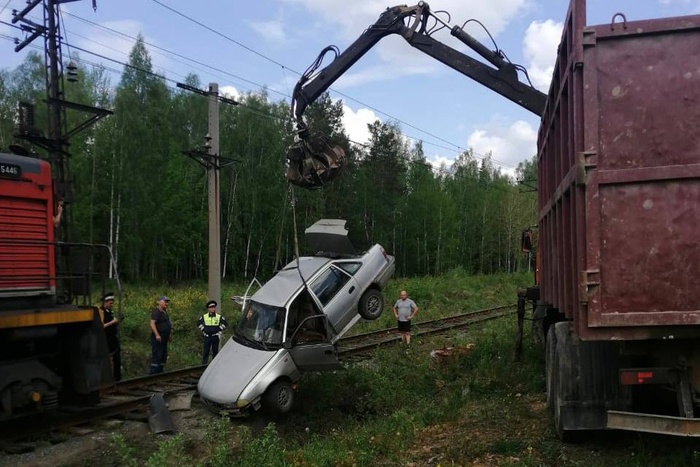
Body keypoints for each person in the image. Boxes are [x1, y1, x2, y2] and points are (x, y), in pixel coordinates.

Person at [197, 300, 228, 365]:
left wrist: (219, 329)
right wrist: (203, 329)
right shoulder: (204, 316)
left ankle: (214, 365)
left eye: (214, 307)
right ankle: (204, 365)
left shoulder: (218, 316)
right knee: (206, 352)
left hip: (215, 337)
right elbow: (198, 323)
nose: (213, 309)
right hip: (207, 337)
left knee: (215, 352)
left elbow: (225, 324)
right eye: (211, 307)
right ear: (208, 309)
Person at [100, 292, 122, 381]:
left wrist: (117, 322)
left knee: (117, 358)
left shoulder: (110, 312)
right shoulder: (101, 312)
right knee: (107, 358)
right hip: (106, 338)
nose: (111, 305)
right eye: (110, 303)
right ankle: (106, 378)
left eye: (112, 303)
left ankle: (117, 378)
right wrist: (112, 322)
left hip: (113, 337)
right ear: (105, 302)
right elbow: (101, 326)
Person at [149, 296, 172, 374]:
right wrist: (157, 335)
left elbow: (166, 324)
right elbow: (152, 324)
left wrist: (168, 335)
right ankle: (154, 372)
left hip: (164, 337)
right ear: (159, 302)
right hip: (158, 337)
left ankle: (160, 371)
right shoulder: (157, 311)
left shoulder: (164, 311)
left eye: (167, 302)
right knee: (157, 354)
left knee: (163, 354)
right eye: (165, 301)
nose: (167, 303)